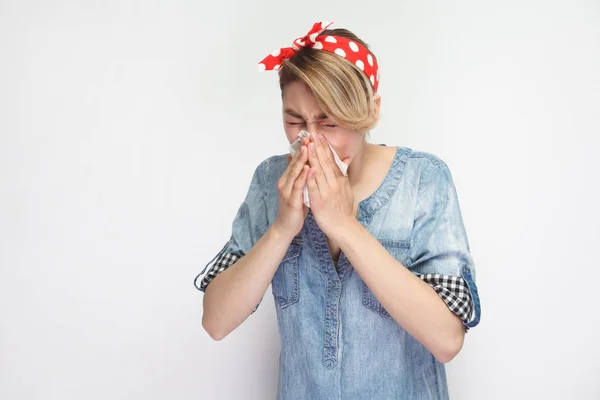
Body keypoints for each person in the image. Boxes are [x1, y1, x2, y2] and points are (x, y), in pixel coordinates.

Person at [194, 21, 481, 400]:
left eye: (329, 122)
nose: (309, 138)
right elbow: (215, 320)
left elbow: (447, 340)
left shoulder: (424, 180)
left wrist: (346, 226)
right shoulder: (270, 181)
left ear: (371, 111)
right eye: (294, 120)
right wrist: (281, 228)